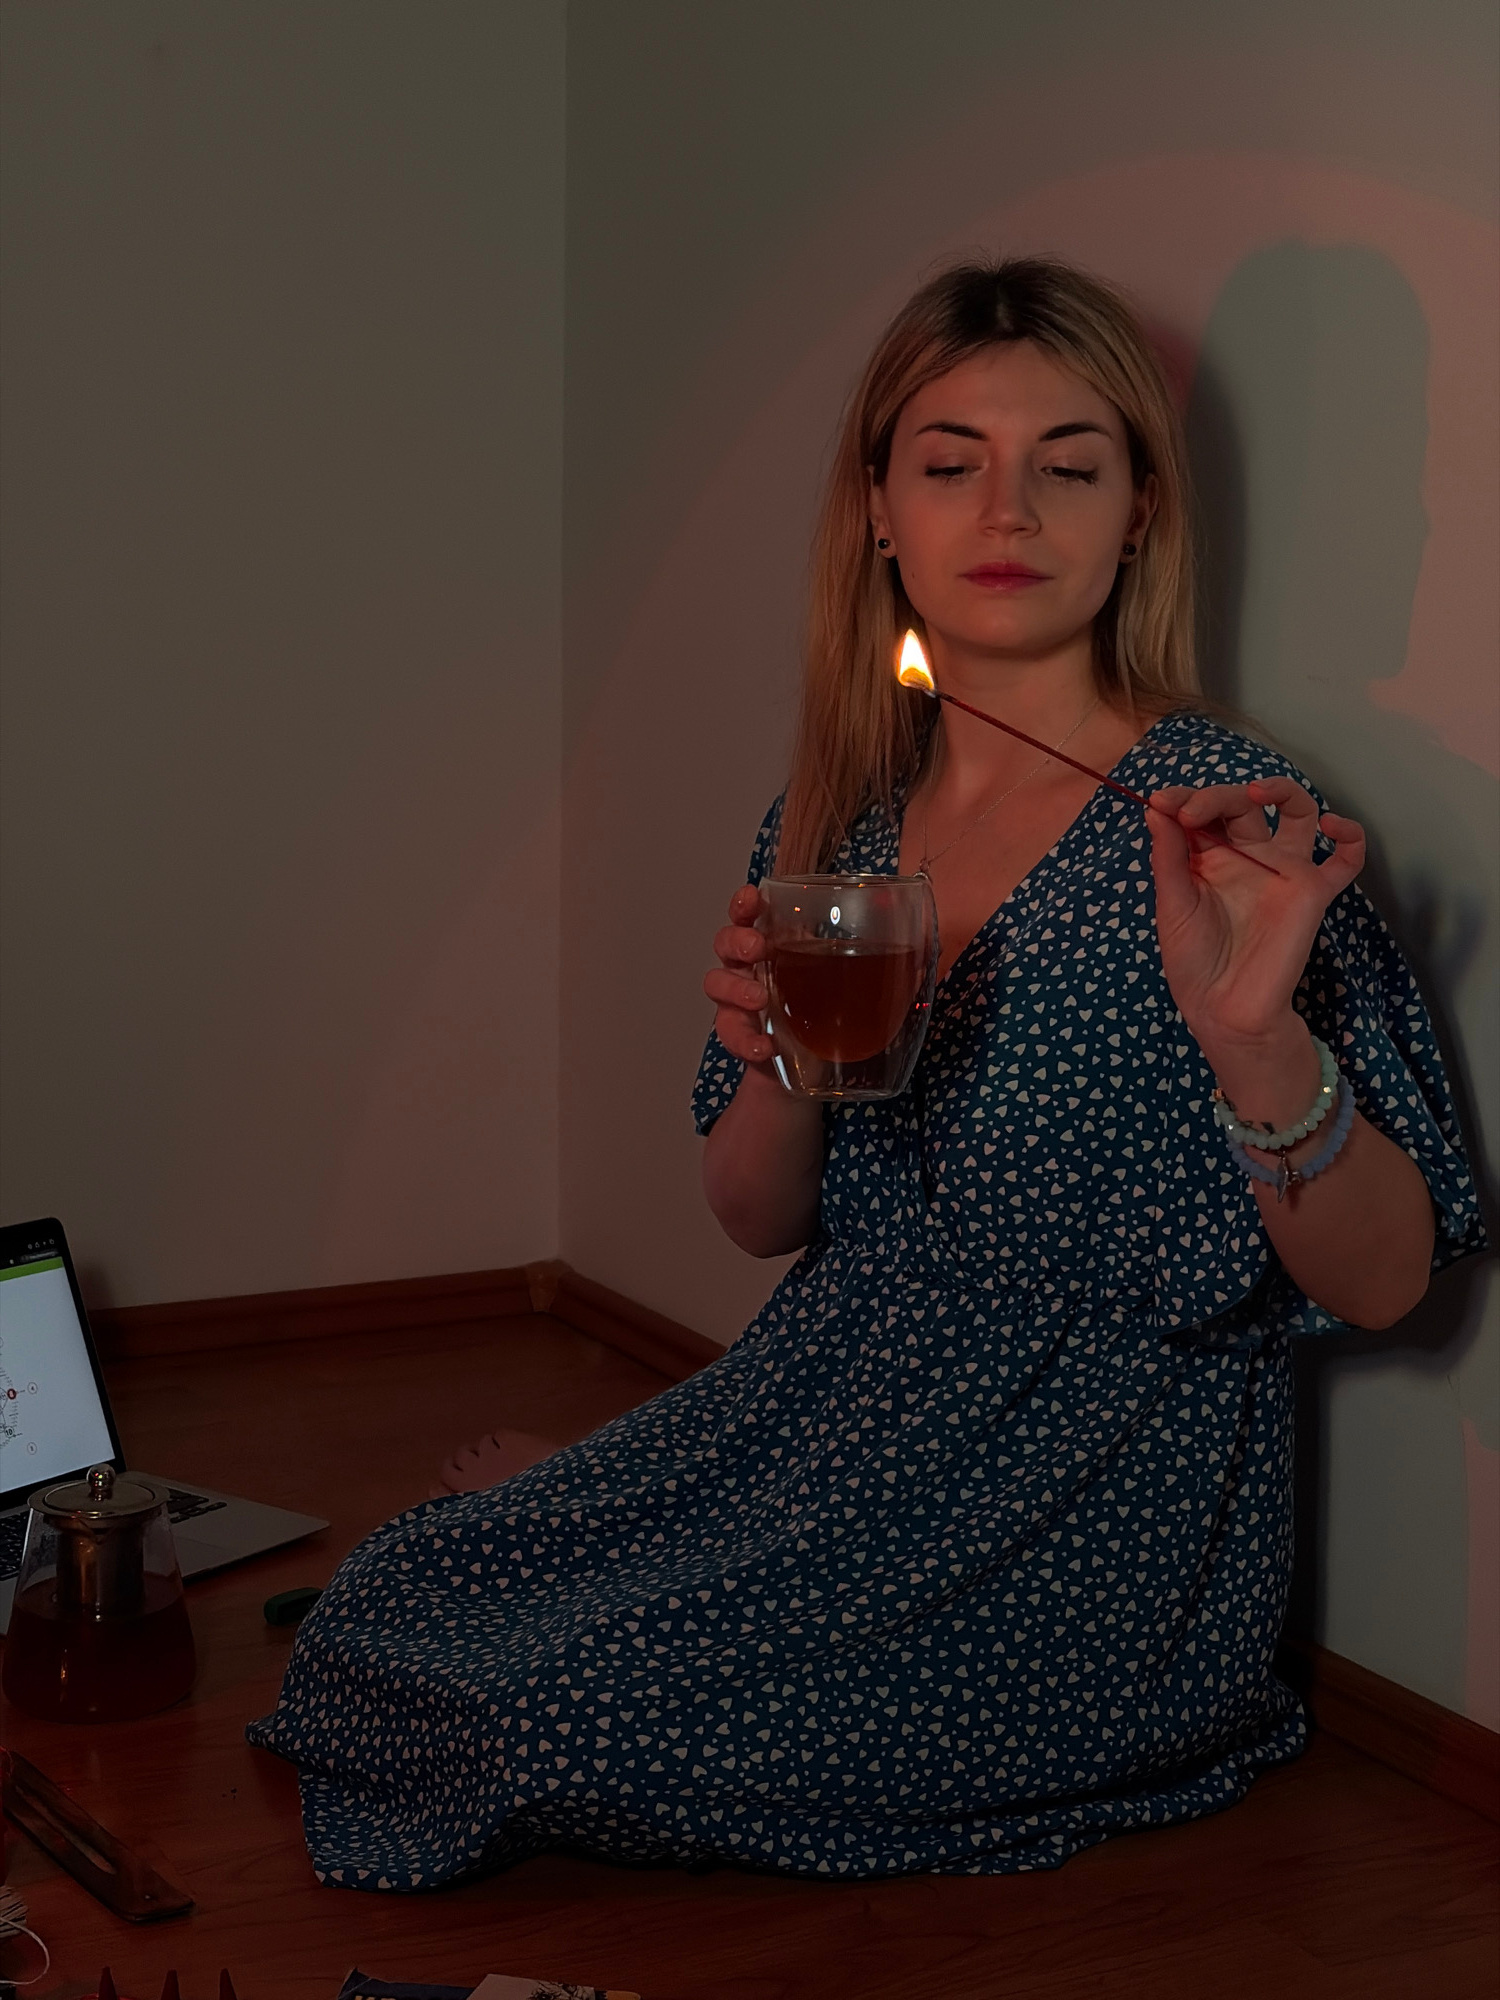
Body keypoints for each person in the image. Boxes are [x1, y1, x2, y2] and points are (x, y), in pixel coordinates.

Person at [249, 258, 1485, 1889]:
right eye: (952, 462)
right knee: (392, 1600)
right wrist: (781, 1063)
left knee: (548, 1721)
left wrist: (1255, 1037)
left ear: (1138, 516)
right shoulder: (839, 819)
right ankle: (658, 1534)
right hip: (824, 1415)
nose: (1010, 510)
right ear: (881, 513)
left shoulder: (1225, 828)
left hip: (1081, 1505)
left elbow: (1391, 1281)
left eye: (1069, 466)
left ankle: (661, 1569)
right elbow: (758, 1218)